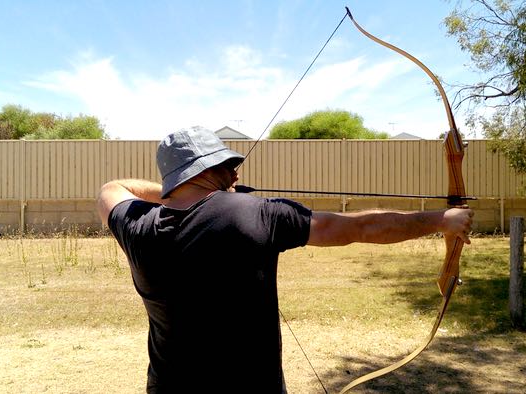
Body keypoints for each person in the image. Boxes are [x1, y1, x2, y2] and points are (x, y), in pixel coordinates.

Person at [97, 127, 473, 393]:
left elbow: (112, 188)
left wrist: (175, 195)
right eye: (227, 166)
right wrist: (441, 220)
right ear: (205, 170)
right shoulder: (257, 215)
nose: (236, 172)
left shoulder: (138, 228)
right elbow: (361, 227)